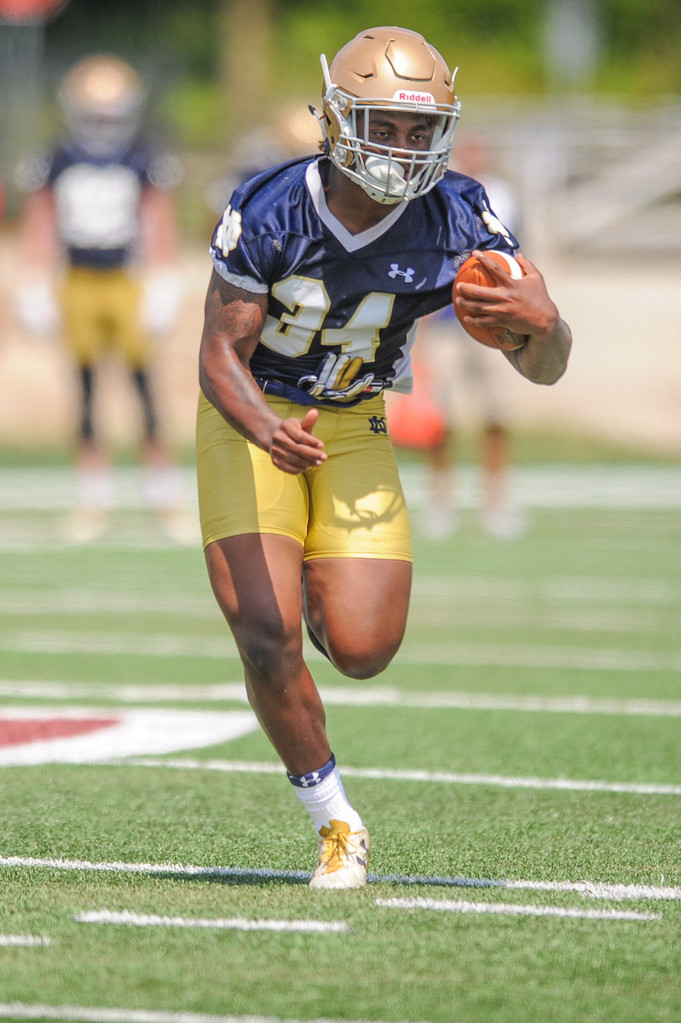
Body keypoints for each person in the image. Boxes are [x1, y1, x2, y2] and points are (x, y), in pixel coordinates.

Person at [197, 26, 571, 889]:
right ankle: (335, 821)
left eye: (416, 130)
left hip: (353, 416)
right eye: (381, 125)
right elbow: (218, 354)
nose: (400, 149)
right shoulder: (271, 204)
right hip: (252, 414)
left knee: (363, 647)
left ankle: (305, 587)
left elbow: (543, 369)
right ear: (334, 119)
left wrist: (545, 326)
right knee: (263, 632)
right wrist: (261, 426)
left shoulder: (459, 211)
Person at [15, 54, 187, 543]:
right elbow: (41, 222)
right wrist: (33, 281)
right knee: (86, 392)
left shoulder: (144, 157)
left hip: (125, 279)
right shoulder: (55, 159)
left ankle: (164, 500)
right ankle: (94, 502)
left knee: (144, 391)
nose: (103, 124)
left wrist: (163, 279)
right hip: (77, 279)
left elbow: (158, 220)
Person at [390, 135, 527, 538]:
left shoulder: (505, 199)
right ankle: (442, 500)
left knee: (496, 415)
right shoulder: (438, 200)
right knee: (441, 420)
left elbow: (522, 260)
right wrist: (423, 330)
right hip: (451, 322)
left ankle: (496, 501)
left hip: (498, 325)